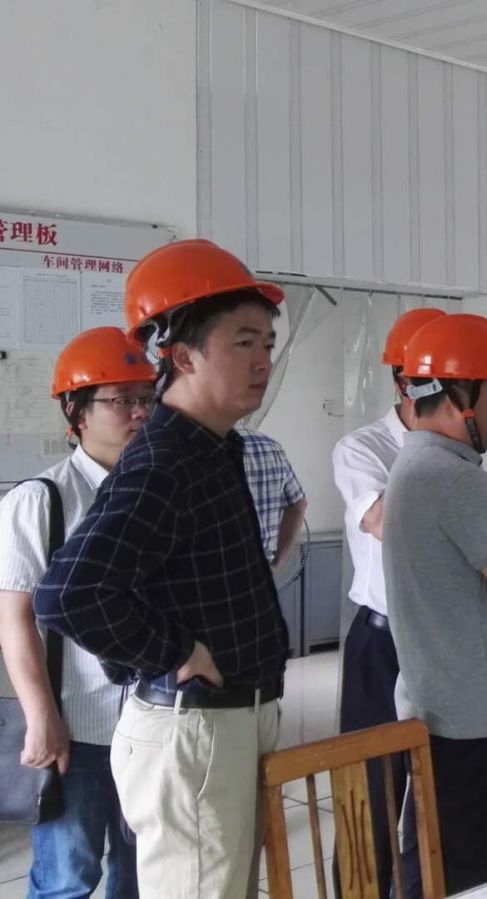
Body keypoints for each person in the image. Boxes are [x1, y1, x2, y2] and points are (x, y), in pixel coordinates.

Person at [33, 239, 292, 899]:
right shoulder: (166, 460)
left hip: (229, 722)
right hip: (196, 731)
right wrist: (174, 651)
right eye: (243, 342)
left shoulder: (214, 446)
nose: (263, 360)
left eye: (267, 342)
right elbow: (68, 593)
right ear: (179, 355)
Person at [382, 312, 487, 895]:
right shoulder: (459, 481)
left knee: (432, 857)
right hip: (478, 720)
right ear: (461, 397)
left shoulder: (412, 465)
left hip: (434, 704)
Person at [0, 327, 153, 899]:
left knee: (140, 873)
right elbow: (14, 619)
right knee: (68, 877)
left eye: (147, 398)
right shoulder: (42, 500)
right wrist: (41, 717)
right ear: (77, 412)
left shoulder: (158, 492)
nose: (140, 413)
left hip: (155, 722)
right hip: (80, 726)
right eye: (122, 400)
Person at [327, 304, 443, 899]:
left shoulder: (459, 452)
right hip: (383, 641)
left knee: (436, 788)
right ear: (406, 382)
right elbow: (382, 520)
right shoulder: (363, 447)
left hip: (441, 639)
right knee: (371, 790)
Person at [237, 427, 307, 579]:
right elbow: (298, 504)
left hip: (205, 577)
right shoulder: (270, 446)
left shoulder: (193, 447)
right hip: (261, 573)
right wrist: (277, 564)